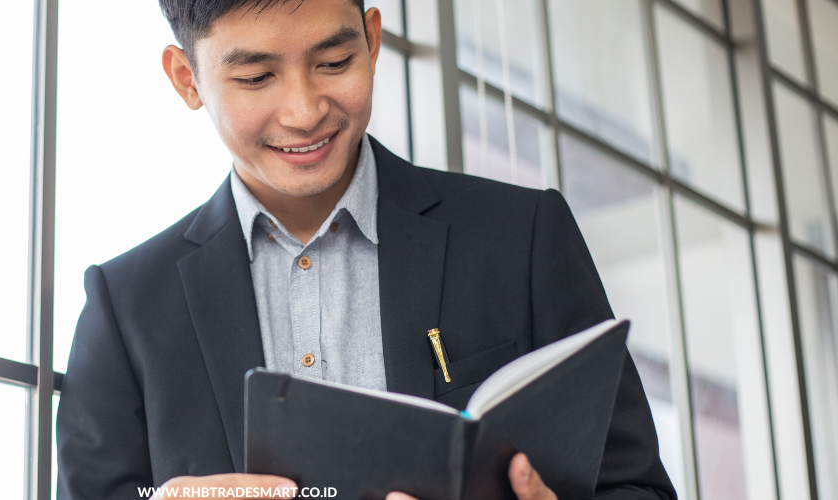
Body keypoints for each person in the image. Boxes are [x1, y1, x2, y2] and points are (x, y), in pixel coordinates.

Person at [56, 1, 677, 499]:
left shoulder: (522, 237)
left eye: (333, 62)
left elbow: (637, 487)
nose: (304, 112)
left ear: (372, 41)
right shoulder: (126, 306)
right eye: (256, 77)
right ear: (186, 78)